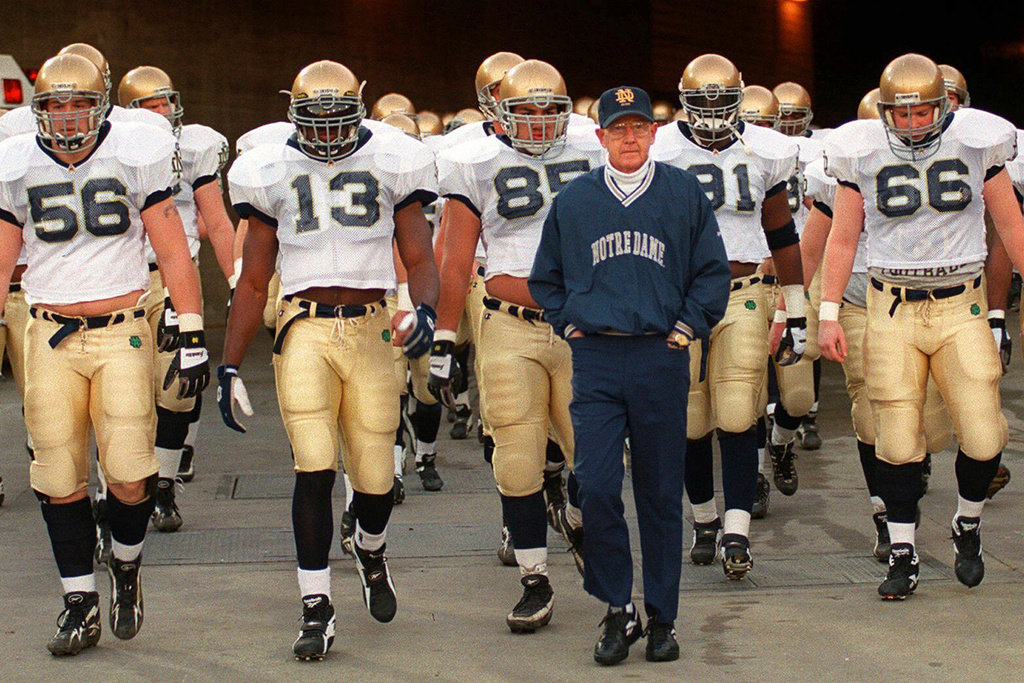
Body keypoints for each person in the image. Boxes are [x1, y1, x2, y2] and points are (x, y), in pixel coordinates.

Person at [221, 60, 439, 659]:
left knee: (375, 479)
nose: (323, 134)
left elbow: (419, 257)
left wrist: (424, 315)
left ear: (358, 111)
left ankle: (370, 545)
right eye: (312, 122)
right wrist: (230, 362)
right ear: (293, 116)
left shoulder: (393, 158)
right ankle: (315, 605)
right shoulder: (269, 168)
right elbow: (255, 278)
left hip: (372, 329)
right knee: (313, 466)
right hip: (304, 329)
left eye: (335, 119)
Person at [0, 53, 208, 654]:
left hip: (122, 330)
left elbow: (173, 251)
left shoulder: (135, 152)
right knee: (58, 474)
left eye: (79, 105)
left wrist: (192, 332)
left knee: (127, 472)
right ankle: (78, 602)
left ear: (101, 108)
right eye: (55, 107)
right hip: (48, 331)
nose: (66, 119)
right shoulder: (16, 163)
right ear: (39, 112)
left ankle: (125, 563)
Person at [531, 86, 729, 665]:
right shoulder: (576, 200)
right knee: (594, 485)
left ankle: (663, 616)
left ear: (653, 133)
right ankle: (618, 608)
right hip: (595, 358)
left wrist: (688, 327)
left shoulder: (682, 192)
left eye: (639, 127)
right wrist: (568, 324)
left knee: (660, 493)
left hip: (659, 355)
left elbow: (711, 272)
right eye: (618, 128)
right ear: (600, 137)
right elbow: (547, 279)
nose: (629, 137)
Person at [819, 53, 1024, 599]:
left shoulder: (979, 141)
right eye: (901, 114)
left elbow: (1009, 224)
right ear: (884, 111)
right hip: (892, 307)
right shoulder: (860, 151)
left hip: (963, 305)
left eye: (923, 112)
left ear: (945, 105)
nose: (912, 123)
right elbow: (842, 239)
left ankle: (967, 522)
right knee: (897, 435)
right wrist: (827, 311)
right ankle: (904, 550)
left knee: (983, 433)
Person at [430, 59, 604, 633]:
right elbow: (455, 260)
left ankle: (574, 516)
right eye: (524, 110)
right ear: (499, 114)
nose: (536, 122)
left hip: (585, 326)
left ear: (566, 111)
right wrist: (445, 339)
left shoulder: (597, 150)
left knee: (597, 455)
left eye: (548, 109)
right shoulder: (471, 161)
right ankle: (534, 577)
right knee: (518, 456)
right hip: (508, 323)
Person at [651, 54, 804, 579]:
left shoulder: (766, 149)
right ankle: (705, 520)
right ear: (683, 101)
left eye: (722, 99)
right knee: (691, 418)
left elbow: (782, 232)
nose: (713, 112)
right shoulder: (658, 147)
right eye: (702, 100)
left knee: (739, 410)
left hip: (742, 293)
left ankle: (737, 532)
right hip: (675, 297)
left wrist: (797, 308)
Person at [118, 65, 236, 529]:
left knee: (178, 390)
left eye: (166, 101)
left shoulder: (194, 146)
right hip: (123, 280)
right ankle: (128, 487)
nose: (161, 111)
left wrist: (236, 283)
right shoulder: (111, 150)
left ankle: (164, 485)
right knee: (127, 396)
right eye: (150, 105)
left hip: (176, 277)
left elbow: (219, 221)